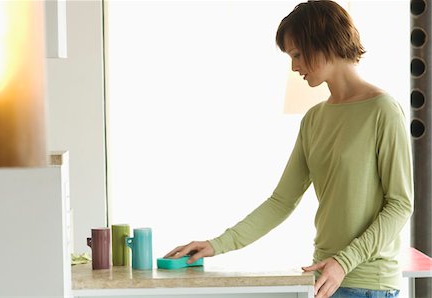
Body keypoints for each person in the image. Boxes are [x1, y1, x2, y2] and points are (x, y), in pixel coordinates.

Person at [165, 1, 413, 297]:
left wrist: (344, 262)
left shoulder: (382, 110)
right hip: (325, 277)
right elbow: (281, 201)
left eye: (297, 54)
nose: (294, 67)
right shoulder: (314, 119)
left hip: (368, 283)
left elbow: (400, 204)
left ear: (323, 42)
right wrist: (217, 244)